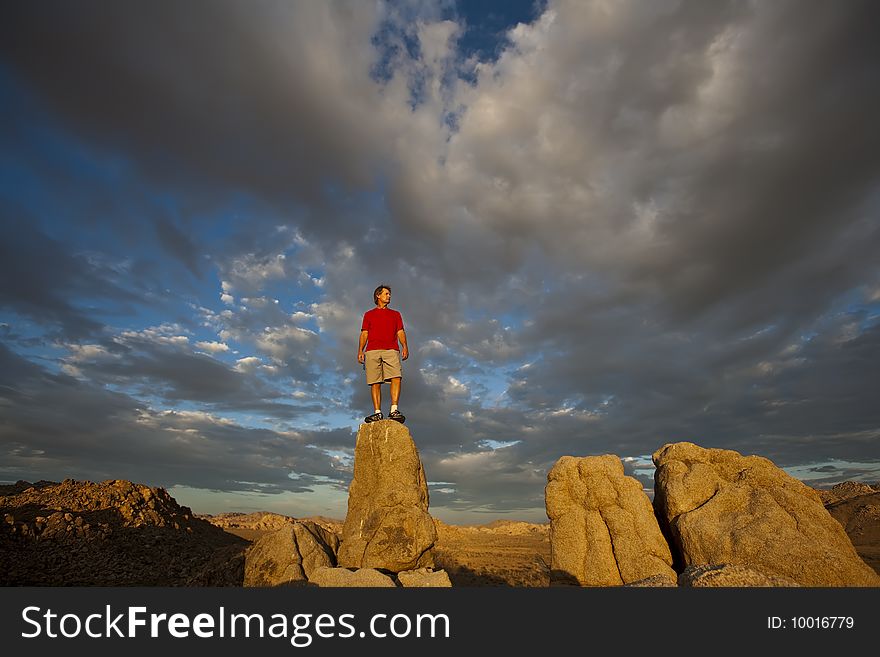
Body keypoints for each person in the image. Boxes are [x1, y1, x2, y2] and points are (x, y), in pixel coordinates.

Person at [357, 284, 408, 423]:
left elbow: (400, 332)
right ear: (378, 295)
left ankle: (394, 410)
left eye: (389, 294)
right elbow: (364, 333)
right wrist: (360, 350)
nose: (389, 296)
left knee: (396, 376)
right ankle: (377, 412)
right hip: (372, 350)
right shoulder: (369, 314)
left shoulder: (396, 314)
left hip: (391, 349)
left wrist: (405, 346)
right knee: (375, 381)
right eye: (386, 293)